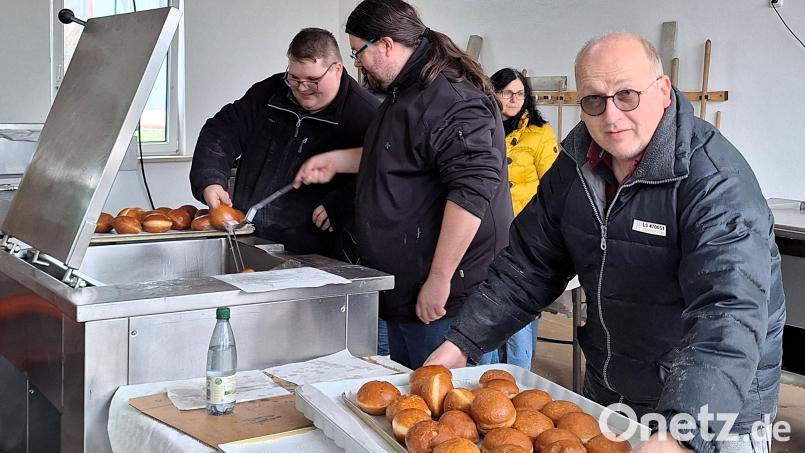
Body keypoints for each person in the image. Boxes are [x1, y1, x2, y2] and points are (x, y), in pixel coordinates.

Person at [427, 33, 784, 453]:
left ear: (663, 90)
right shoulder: (575, 166)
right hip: (611, 391)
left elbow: (728, 312)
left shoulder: (715, 181)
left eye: (627, 95)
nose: (611, 116)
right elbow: (528, 266)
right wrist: (461, 344)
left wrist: (682, 434)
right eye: (594, 100)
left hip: (714, 412)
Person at [295, 0, 513, 369]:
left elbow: (472, 192)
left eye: (358, 52)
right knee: (411, 396)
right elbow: (399, 153)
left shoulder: (452, 99)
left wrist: (439, 279)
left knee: (445, 400)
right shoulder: (407, 91)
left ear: (385, 44)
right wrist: (336, 162)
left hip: (447, 298)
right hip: (407, 288)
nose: (357, 63)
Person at [190, 28, 379, 259]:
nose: (302, 88)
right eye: (294, 78)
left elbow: (384, 175)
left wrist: (344, 205)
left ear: (337, 69)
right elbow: (221, 131)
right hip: (249, 239)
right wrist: (210, 180)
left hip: (317, 255)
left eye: (313, 81)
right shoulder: (268, 93)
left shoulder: (366, 115)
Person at [481, 68, 558, 370]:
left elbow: (553, 186)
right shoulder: (481, 126)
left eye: (520, 93)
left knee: (517, 303)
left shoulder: (539, 133)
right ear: (493, 93)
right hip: (486, 228)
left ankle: (516, 373)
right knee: (486, 299)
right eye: (507, 92)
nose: (514, 99)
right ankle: (485, 371)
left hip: (524, 231)